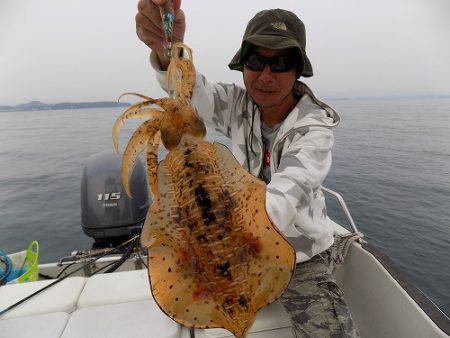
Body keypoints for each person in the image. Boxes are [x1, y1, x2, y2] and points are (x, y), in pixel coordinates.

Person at [136, 1, 360, 337]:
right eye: (256, 61)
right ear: (243, 65)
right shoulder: (239, 106)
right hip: (231, 248)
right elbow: (189, 95)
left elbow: (290, 191)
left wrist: (219, 233)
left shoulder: (314, 128)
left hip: (300, 255)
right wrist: (167, 52)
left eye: (280, 62)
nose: (266, 76)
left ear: (297, 70)